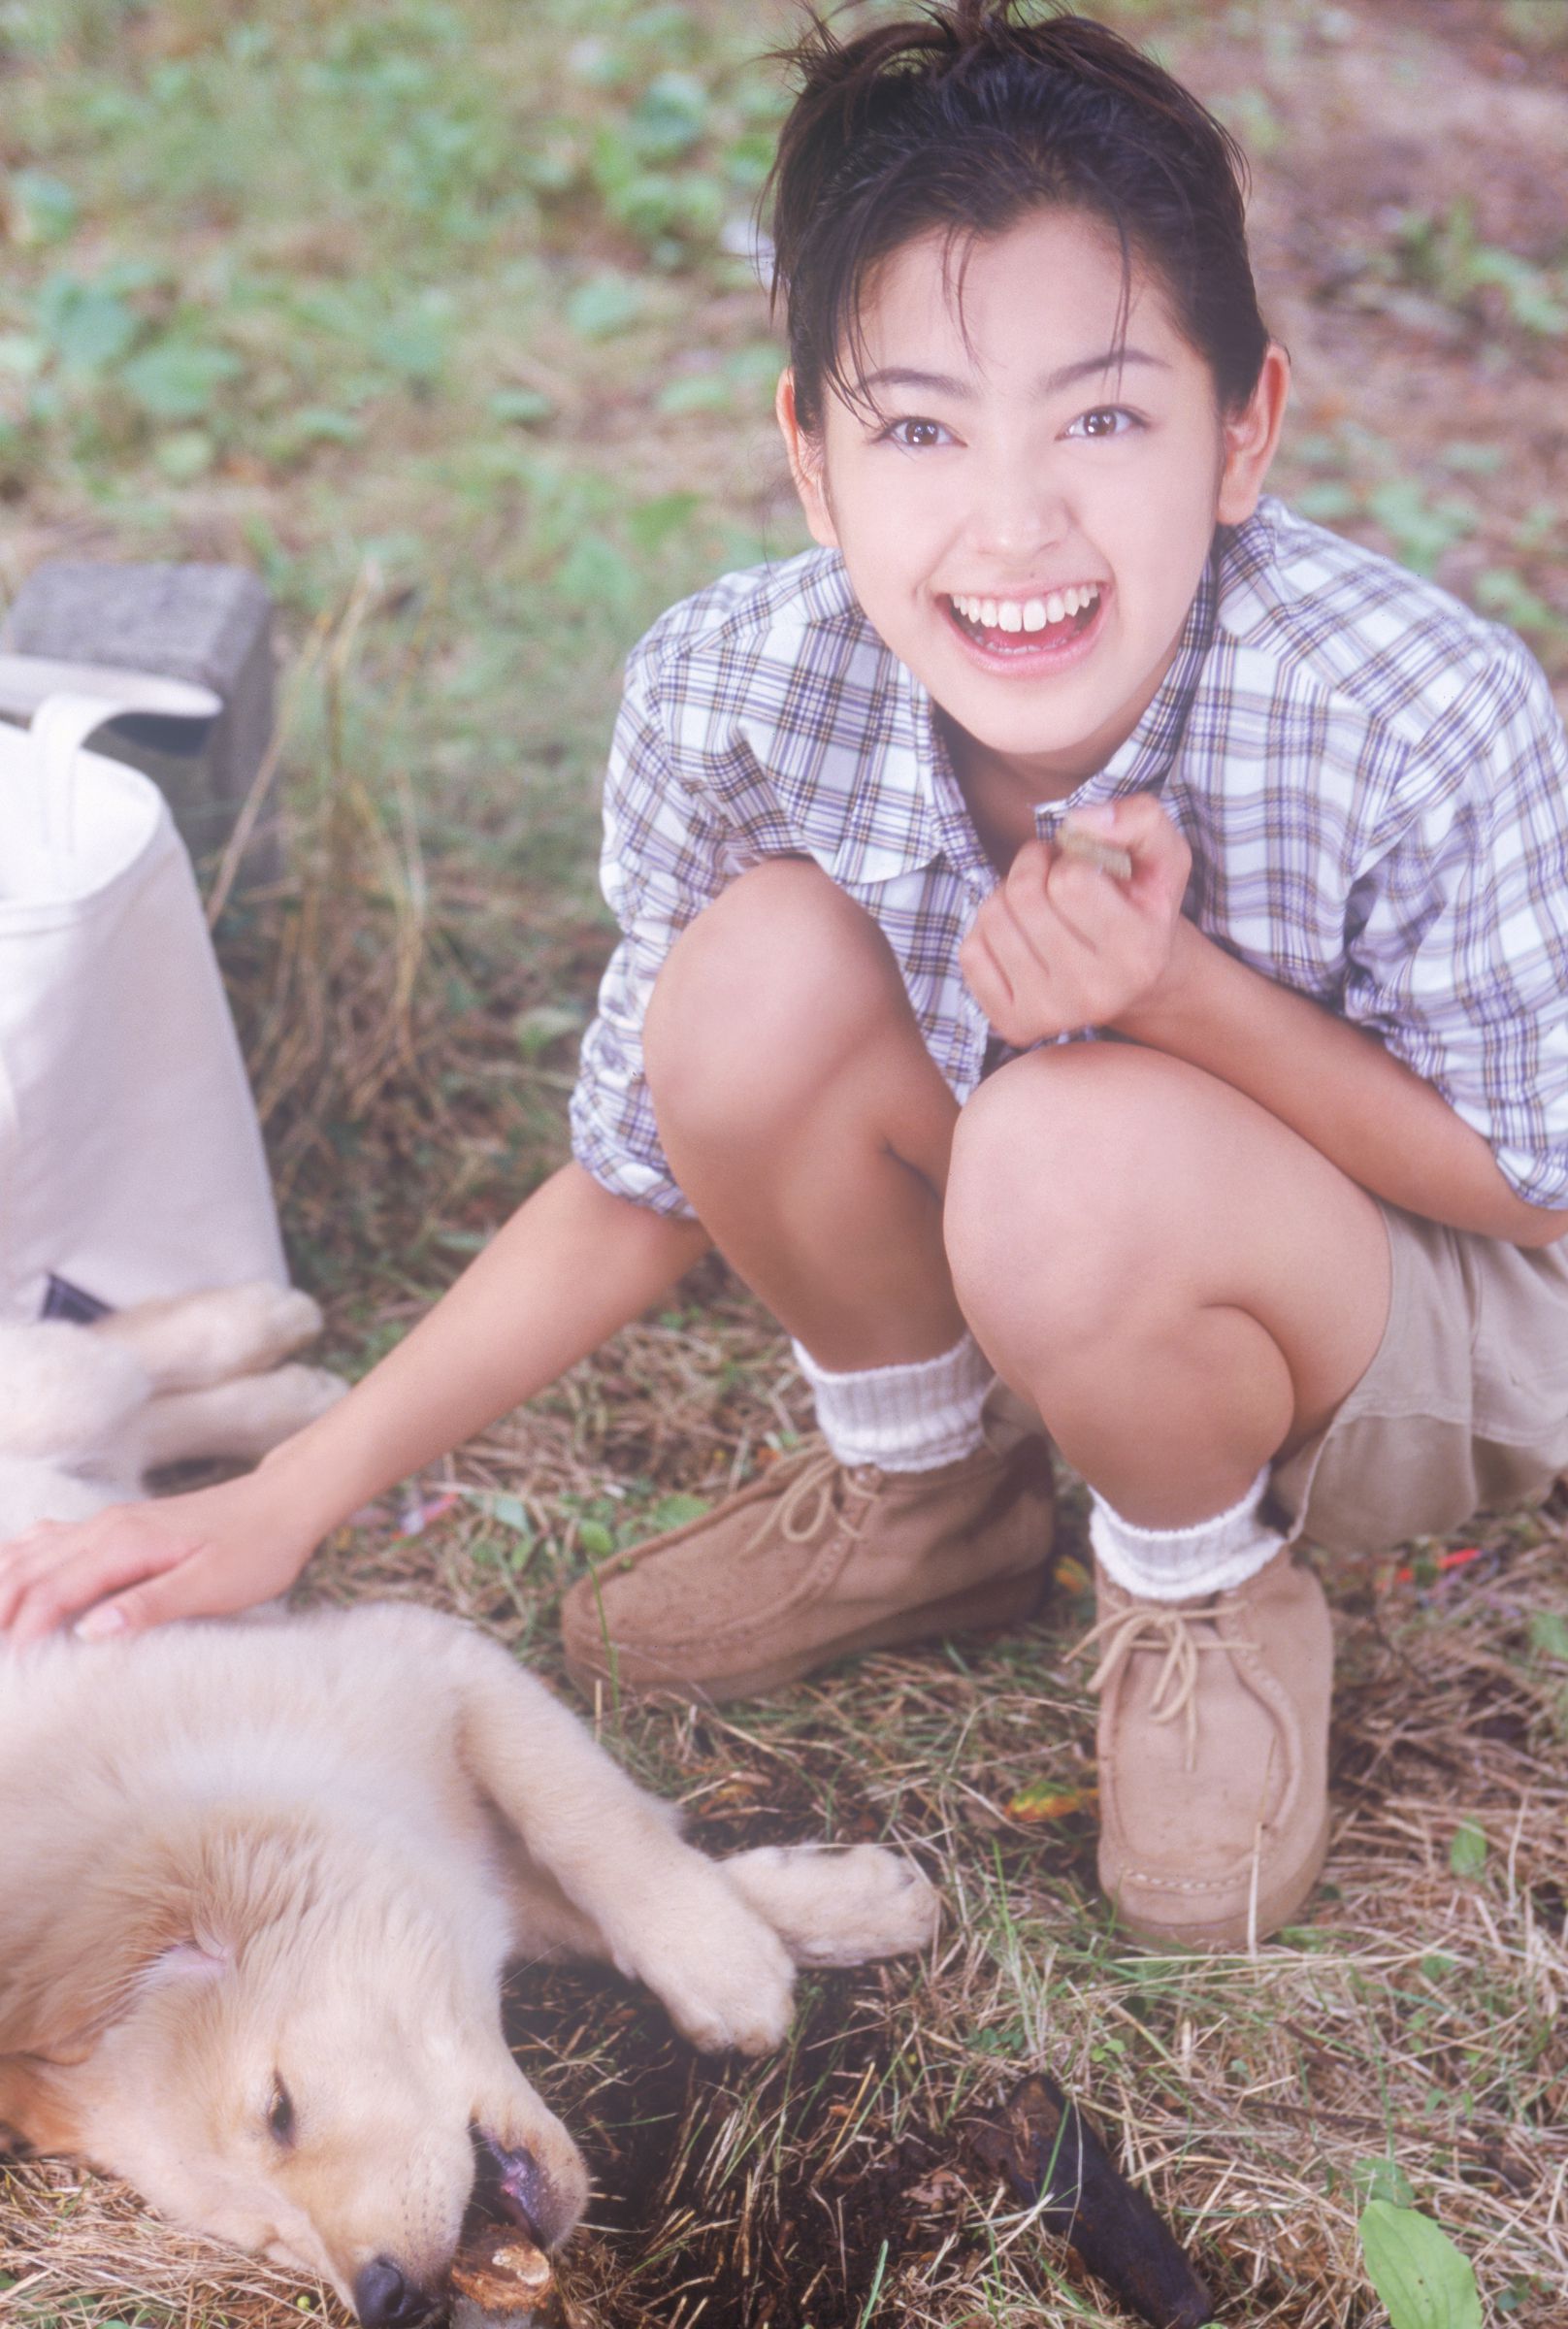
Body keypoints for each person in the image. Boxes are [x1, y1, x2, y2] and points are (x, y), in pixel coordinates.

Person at [4, 1, 1567, 1952]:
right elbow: (638, 1166)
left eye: (1102, 416)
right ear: (811, 462)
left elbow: (1532, 1183)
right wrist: (290, 1498)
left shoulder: (1411, 710)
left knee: (1067, 1145)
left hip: (1416, 1320)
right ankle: (932, 1499)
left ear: (1243, 431)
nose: (1010, 527)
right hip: (1054, 1227)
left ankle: (1197, 1583)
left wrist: (1180, 1000)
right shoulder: (734, 687)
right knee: (743, 985)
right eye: (916, 428)